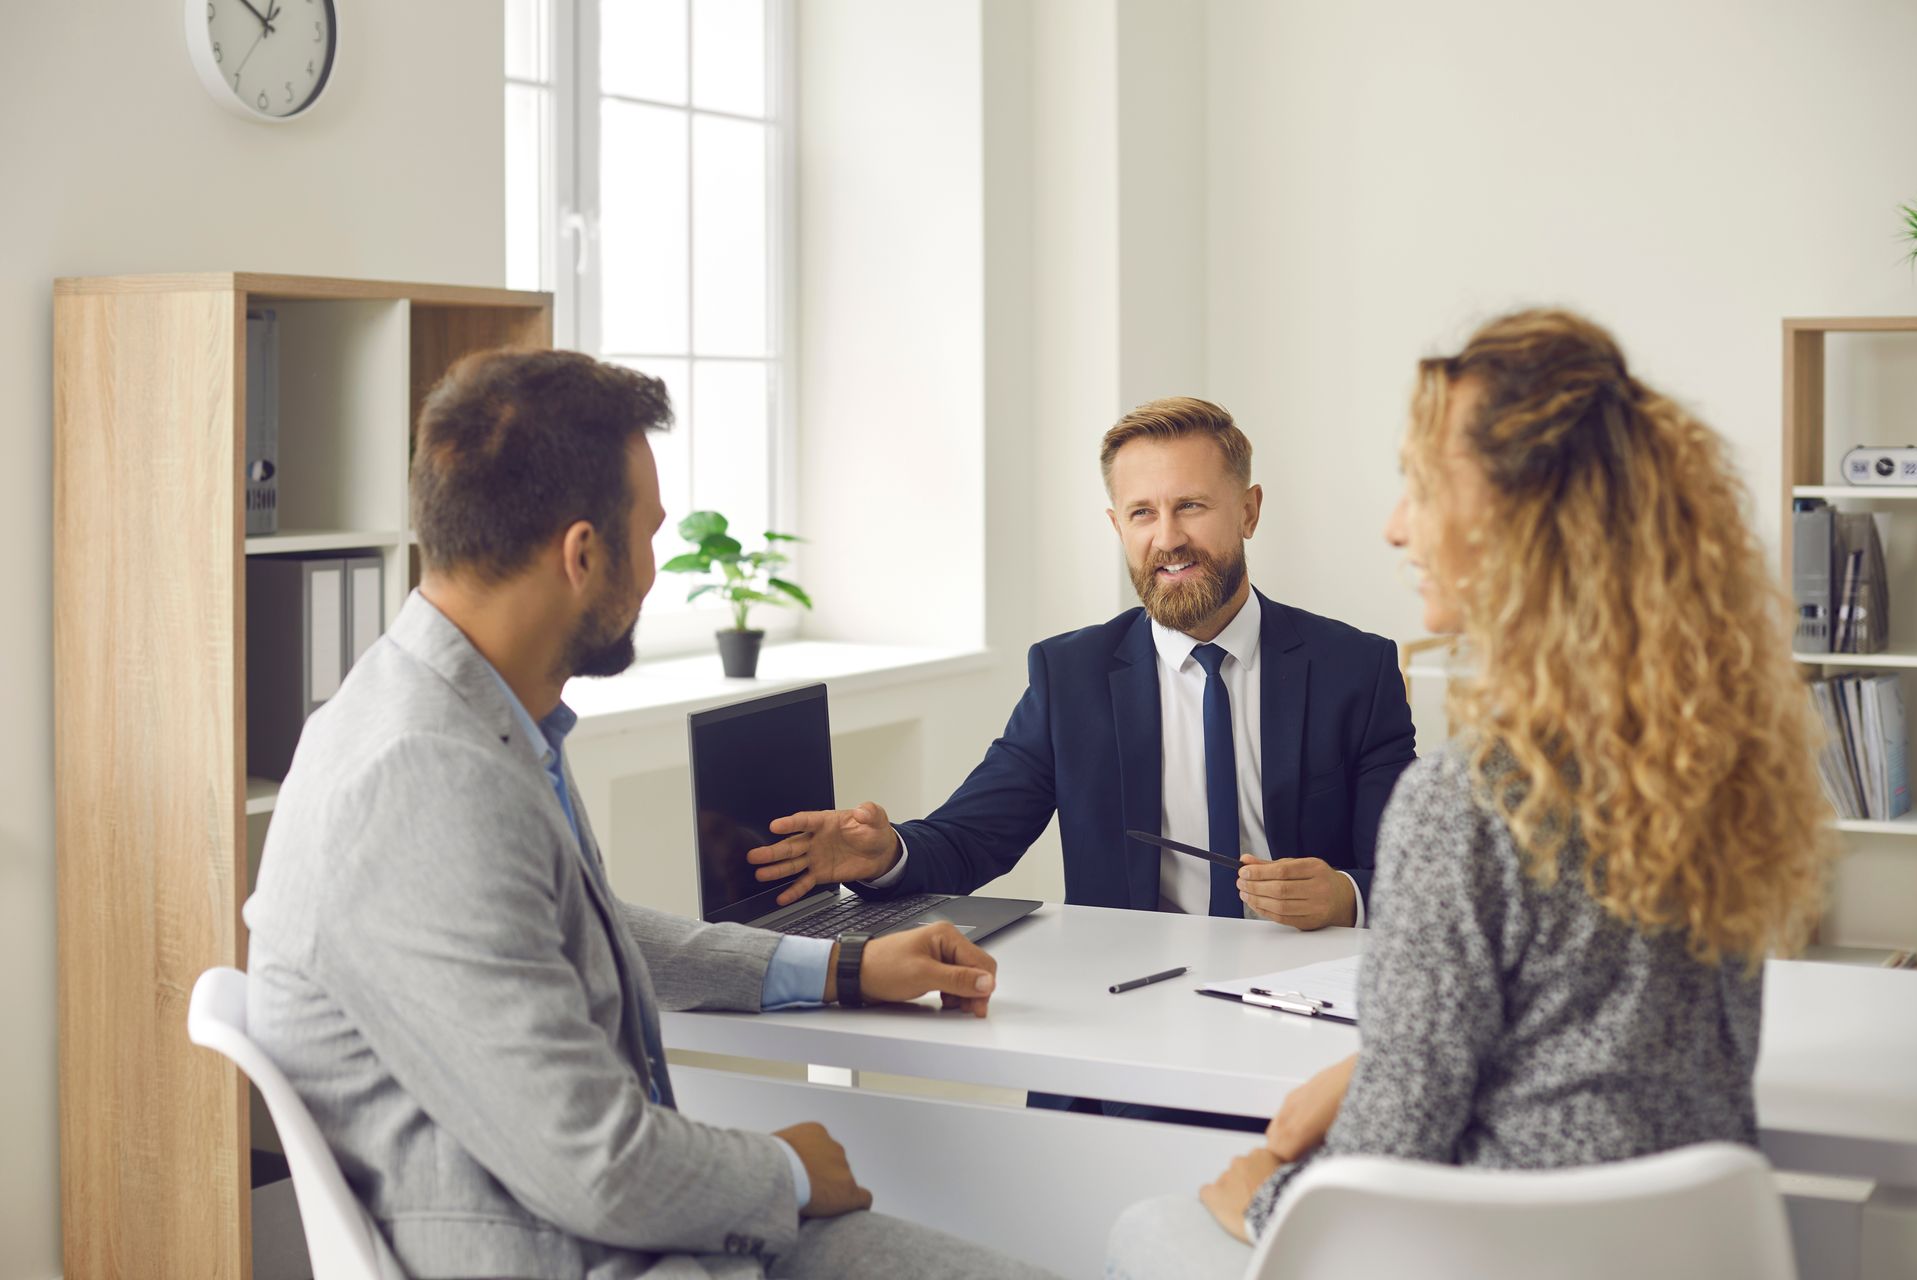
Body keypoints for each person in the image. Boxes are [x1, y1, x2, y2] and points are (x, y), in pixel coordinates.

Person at [244, 349, 1055, 1280]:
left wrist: (843, 968)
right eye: (651, 534)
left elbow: (578, 924)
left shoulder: (461, 714)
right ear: (583, 554)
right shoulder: (424, 772)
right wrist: (786, 1169)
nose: (658, 569)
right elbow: (598, 1168)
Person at [1104, 309, 1836, 1276]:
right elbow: (1590, 1037)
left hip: (1483, 1252)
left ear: (1518, 519)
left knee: (1144, 1228)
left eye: (1422, 487)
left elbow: (1385, 1159)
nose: (1396, 525)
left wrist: (1260, 1193)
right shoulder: (1708, 755)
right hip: (1681, 1243)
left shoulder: (1470, 801)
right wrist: (1379, 1063)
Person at [750, 398, 1418, 1128]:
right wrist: (887, 853)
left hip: (1305, 1033)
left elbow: (1415, 884)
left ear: (1249, 511)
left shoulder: (1359, 669)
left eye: (1191, 507)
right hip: (1123, 1030)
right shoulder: (1070, 675)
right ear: (1116, 526)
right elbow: (973, 837)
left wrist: (1345, 896)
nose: (1168, 539)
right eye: (1142, 514)